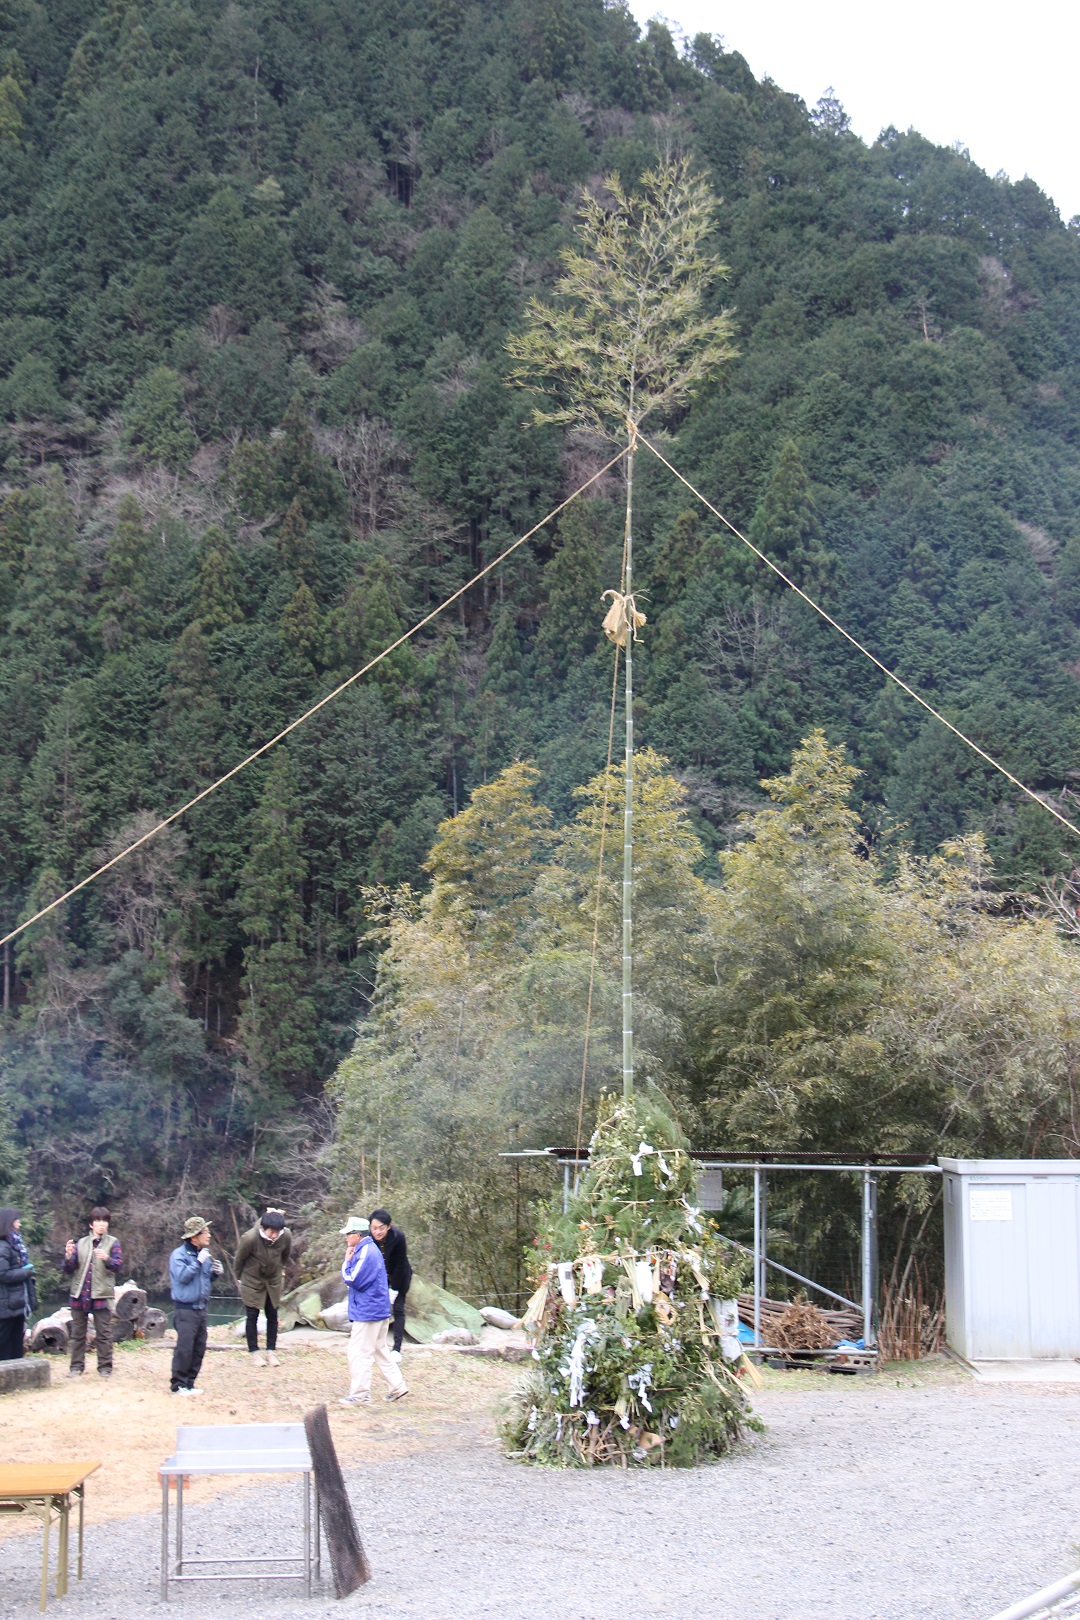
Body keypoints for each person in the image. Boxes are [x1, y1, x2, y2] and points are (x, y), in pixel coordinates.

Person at [338, 1216, 408, 1407]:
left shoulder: (366, 1251)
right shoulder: (369, 1249)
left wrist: (346, 1262)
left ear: (358, 1235)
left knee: (359, 1352)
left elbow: (353, 1279)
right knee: (379, 1350)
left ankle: (360, 1394)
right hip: (377, 1310)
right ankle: (397, 1386)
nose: (346, 1238)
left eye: (348, 1234)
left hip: (368, 1312)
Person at [62, 1206, 121, 1378]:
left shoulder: (113, 1242)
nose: (101, 1224)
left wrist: (107, 1259)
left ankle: (105, 1367)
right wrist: (67, 1256)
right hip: (80, 1293)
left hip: (102, 1293)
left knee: (104, 1333)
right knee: (78, 1333)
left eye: (104, 1221)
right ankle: (76, 1366)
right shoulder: (81, 1243)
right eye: (98, 1221)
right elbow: (68, 1268)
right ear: (91, 1224)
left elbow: (118, 1266)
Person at [234, 1208, 292, 1367]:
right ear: (263, 1228)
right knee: (252, 1315)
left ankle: (270, 1351)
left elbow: (285, 1255)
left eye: (277, 1232)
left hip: (273, 1280)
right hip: (252, 1280)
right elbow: (239, 1260)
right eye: (271, 1232)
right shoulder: (250, 1238)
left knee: (272, 1315)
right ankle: (254, 1352)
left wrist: (279, 1271)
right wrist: (239, 1279)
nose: (274, 1235)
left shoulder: (285, 1235)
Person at [168, 1215, 218, 1395]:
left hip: (201, 1308)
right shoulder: (179, 1255)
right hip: (185, 1309)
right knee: (185, 1348)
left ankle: (190, 1383)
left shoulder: (203, 1254)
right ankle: (178, 1385)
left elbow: (203, 1279)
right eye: (205, 1232)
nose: (209, 1235)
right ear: (194, 1236)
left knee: (199, 1348)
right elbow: (182, 1277)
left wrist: (214, 1274)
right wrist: (198, 1262)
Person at [369, 1208, 411, 1359]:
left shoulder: (398, 1237)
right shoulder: (368, 1238)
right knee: (377, 1311)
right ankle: (375, 1345)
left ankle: (397, 1349)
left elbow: (400, 1265)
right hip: (379, 1278)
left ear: (389, 1226)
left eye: (381, 1228)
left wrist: (395, 1289)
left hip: (400, 1276)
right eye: (374, 1228)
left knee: (398, 1309)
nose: (377, 1232)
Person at [0, 1208, 35, 1362]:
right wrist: (25, 1272)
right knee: (4, 1340)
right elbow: (3, 1274)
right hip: (5, 1304)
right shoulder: (3, 1247)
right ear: (8, 1223)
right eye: (17, 1220)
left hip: (16, 1302)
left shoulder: (14, 1244)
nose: (19, 1224)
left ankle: (16, 1372)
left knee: (16, 1340)